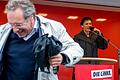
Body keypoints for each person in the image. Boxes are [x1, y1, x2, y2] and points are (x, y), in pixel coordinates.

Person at [0, 0, 84, 80]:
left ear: (31, 18)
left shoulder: (53, 28)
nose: (14, 30)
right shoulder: (3, 31)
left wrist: (63, 57)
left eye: (18, 25)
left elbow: (77, 49)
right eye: (11, 24)